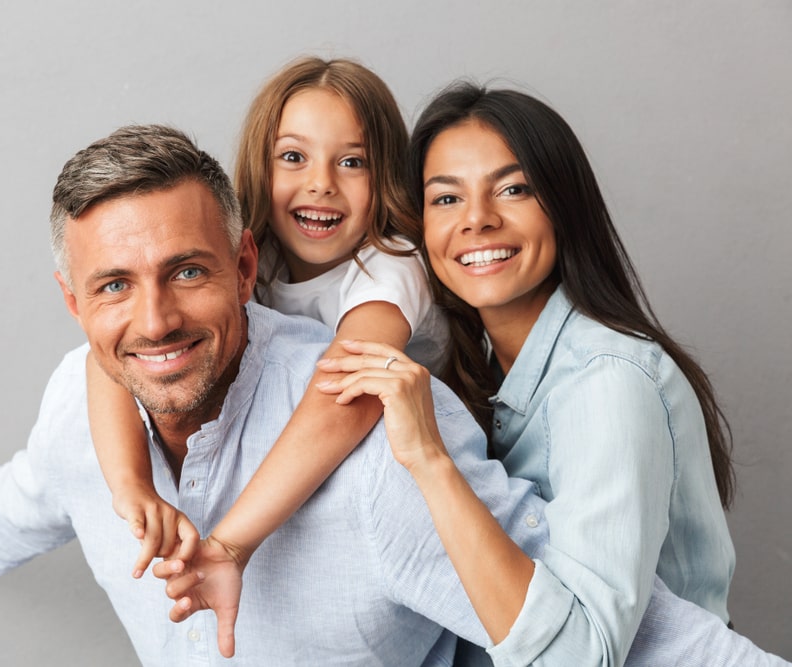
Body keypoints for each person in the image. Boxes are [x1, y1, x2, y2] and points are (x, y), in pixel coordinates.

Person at [0, 123, 785, 667]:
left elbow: (623, 637)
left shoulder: (385, 447)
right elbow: (24, 493)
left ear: (245, 264)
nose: (154, 319)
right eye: (114, 285)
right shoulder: (82, 403)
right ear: (73, 302)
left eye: (188, 271)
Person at [316, 82, 746, 665]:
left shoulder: (608, 382)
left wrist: (430, 460)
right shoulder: (482, 370)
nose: (477, 220)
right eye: (446, 199)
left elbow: (578, 656)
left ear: (564, 204)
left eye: (513, 189)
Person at [85, 57, 448, 583]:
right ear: (261, 165)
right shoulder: (253, 254)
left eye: (352, 162)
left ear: (385, 175)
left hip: (393, 469)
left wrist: (231, 545)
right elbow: (108, 360)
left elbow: (346, 393)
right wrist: (133, 488)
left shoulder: (392, 263)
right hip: (289, 448)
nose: (321, 183)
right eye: (294, 157)